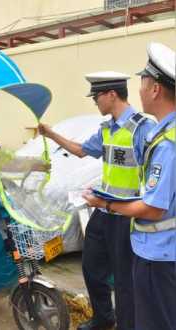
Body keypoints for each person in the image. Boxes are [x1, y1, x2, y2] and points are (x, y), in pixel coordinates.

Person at [38, 71, 155, 330]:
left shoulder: (142, 129)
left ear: (112, 94)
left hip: (127, 215)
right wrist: (50, 134)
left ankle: (127, 324)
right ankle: (104, 318)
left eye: (97, 96)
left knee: (125, 281)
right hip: (102, 212)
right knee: (91, 268)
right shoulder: (107, 130)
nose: (95, 102)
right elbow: (80, 151)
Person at [83, 42, 176, 330]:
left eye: (143, 82)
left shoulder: (165, 143)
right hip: (154, 246)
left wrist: (105, 204)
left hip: (159, 252)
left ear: (155, 89)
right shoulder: (165, 134)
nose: (139, 90)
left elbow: (153, 207)